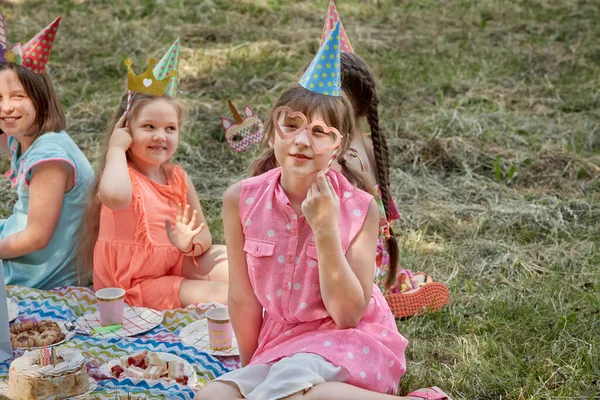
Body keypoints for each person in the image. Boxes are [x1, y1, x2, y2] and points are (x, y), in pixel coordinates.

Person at [198, 22, 450, 400]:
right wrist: (251, 368)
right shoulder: (242, 200)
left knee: (298, 394)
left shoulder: (360, 209)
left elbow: (349, 314)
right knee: (212, 397)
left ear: (339, 146)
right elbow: (243, 299)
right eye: (292, 124)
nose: (302, 140)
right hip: (282, 342)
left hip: (350, 340)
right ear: (272, 131)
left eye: (320, 132)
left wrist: (326, 229)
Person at [79, 40, 228, 310]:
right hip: (132, 284)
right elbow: (114, 196)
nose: (161, 136)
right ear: (126, 129)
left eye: (170, 128)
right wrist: (115, 148)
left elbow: (203, 235)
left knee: (238, 266)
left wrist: (189, 244)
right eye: (149, 126)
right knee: (223, 294)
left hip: (173, 260)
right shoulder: (120, 175)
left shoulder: (177, 176)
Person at [0, 16, 94, 289]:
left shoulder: (49, 158)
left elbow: (37, 237)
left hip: (42, 273)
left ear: (40, 98)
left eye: (18, 97)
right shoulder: (26, 137)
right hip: (22, 244)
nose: (6, 107)